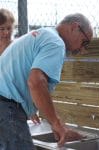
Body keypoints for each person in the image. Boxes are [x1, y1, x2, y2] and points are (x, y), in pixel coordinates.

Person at [0, 13, 93, 150]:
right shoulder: (56, 43)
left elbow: (16, 73)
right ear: (75, 27)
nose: (82, 50)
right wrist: (56, 123)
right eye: (85, 42)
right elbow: (36, 82)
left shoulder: (42, 34)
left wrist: (28, 106)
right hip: (6, 109)